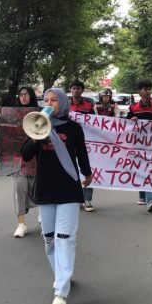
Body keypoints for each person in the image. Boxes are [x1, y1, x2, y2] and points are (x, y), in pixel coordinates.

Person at [22, 88, 92, 304]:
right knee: (50, 238)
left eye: (55, 100)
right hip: (45, 189)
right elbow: (25, 155)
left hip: (68, 189)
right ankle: (62, 274)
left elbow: (82, 154)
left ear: (63, 102)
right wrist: (35, 134)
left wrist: (87, 174)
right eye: (47, 100)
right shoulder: (38, 125)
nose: (50, 103)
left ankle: (61, 291)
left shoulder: (73, 128)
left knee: (65, 237)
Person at [126, 79, 152, 212]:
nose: (148, 92)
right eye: (145, 89)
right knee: (141, 169)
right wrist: (131, 120)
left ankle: (151, 199)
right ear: (139, 92)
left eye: (149, 89)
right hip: (138, 145)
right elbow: (126, 125)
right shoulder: (133, 108)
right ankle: (142, 195)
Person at [11, 86, 39, 238]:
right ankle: (21, 223)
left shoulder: (39, 112)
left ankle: (43, 213)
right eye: (20, 94)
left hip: (36, 156)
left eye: (26, 94)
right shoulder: (12, 113)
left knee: (37, 189)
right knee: (19, 189)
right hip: (17, 158)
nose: (23, 97)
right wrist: (0, 114)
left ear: (31, 96)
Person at [68, 79, 96, 212]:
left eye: (78, 88)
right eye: (73, 88)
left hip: (87, 142)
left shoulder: (89, 106)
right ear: (70, 90)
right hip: (69, 142)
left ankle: (87, 199)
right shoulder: (66, 105)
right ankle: (74, 198)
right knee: (71, 169)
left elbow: (96, 123)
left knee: (86, 168)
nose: (76, 90)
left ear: (82, 90)